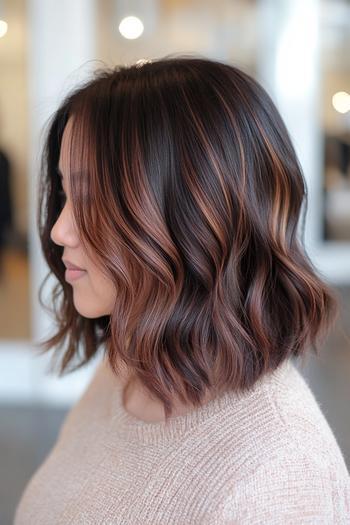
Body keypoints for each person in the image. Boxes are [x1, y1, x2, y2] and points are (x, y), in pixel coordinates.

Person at [14, 55, 350, 524]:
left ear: (192, 215)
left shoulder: (275, 479)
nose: (59, 230)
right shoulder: (135, 365)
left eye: (90, 198)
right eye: (67, 194)